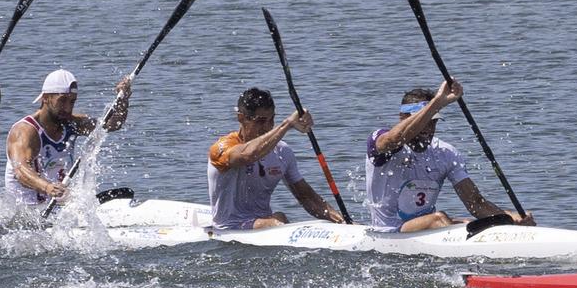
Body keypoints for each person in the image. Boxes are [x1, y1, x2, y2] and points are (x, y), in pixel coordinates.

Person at [364, 81, 532, 231]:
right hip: (388, 231)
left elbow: (476, 203)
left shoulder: (446, 153)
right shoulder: (380, 140)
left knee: (472, 222)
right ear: (402, 118)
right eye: (424, 121)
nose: (428, 129)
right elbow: (396, 139)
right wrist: (438, 101)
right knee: (439, 218)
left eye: (433, 121)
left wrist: (510, 220)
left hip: (426, 226)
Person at [206, 87, 346, 230]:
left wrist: (342, 222)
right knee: (278, 221)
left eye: (271, 119)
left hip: (263, 224)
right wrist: (287, 124)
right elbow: (247, 155)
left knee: (279, 217)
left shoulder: (282, 151)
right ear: (241, 118)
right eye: (260, 121)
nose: (268, 127)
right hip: (229, 227)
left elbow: (307, 197)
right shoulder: (221, 147)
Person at [2, 69, 129, 205]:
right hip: (24, 212)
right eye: (62, 100)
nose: (68, 108)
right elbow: (20, 170)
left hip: (57, 207)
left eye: (72, 102)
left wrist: (123, 99)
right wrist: (47, 187)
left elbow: (112, 124)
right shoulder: (25, 131)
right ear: (45, 98)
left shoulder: (72, 123)